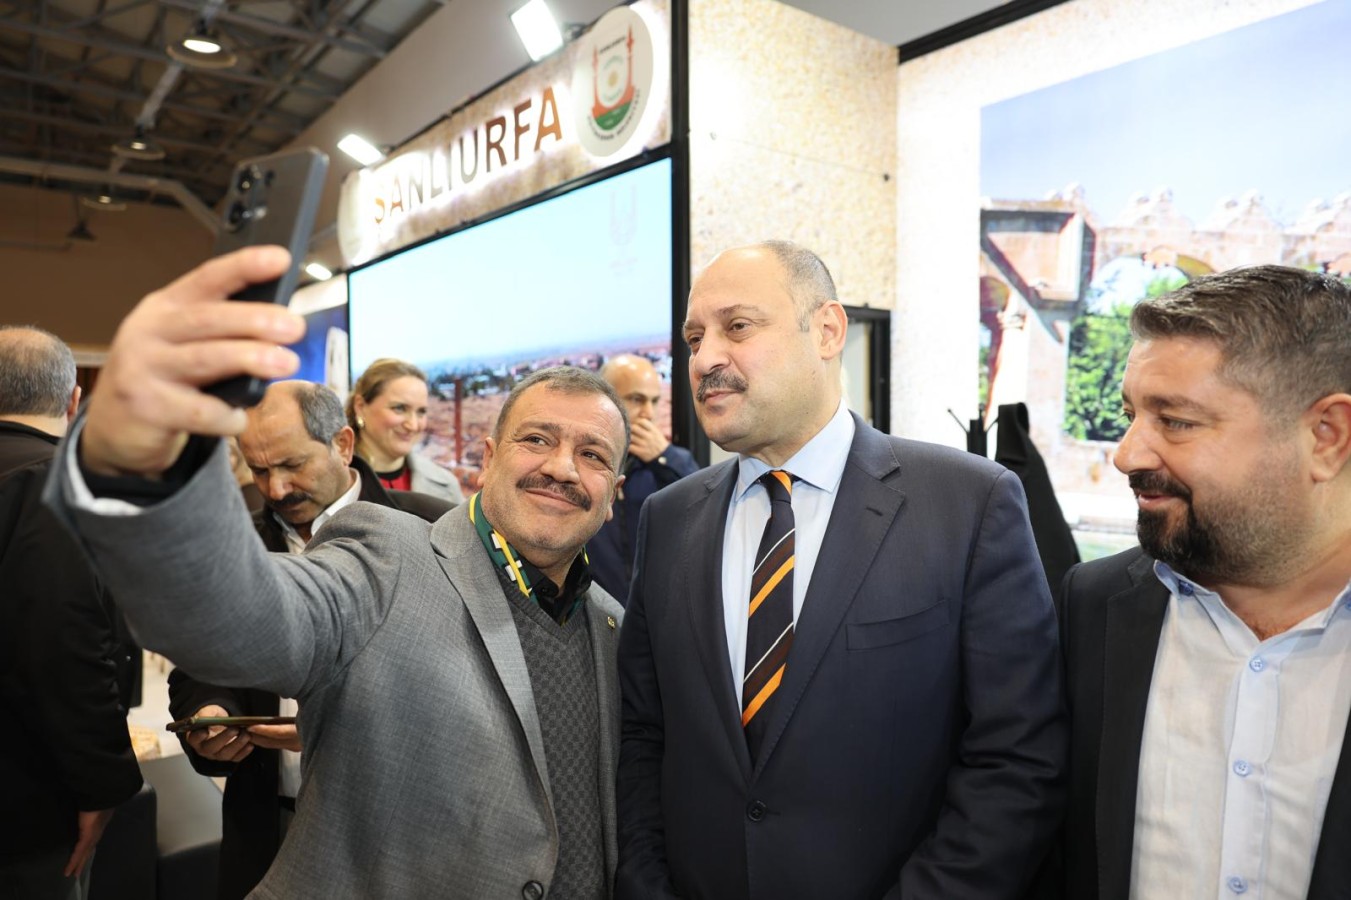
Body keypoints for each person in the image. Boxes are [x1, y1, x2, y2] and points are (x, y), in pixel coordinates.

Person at [43, 246, 630, 899]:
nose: (561, 467)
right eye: (537, 439)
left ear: (613, 496)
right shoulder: (389, 555)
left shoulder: (616, 628)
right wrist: (155, 458)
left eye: (592, 454)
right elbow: (239, 620)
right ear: (487, 459)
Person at [616, 241, 1067, 899]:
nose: (706, 358)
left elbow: (1016, 759)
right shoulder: (668, 520)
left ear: (827, 330)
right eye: (693, 339)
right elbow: (642, 737)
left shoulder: (969, 504)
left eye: (737, 327)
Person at [1053, 266, 1351, 900]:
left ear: (1326, 436)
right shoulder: (1092, 606)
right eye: (1131, 414)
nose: (1127, 454)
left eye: (1176, 421)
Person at [168, 380, 452, 900]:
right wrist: (210, 712)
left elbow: (466, 681)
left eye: (292, 465)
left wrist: (336, 725)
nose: (277, 489)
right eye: (259, 470)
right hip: (270, 823)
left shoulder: (434, 529)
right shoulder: (228, 540)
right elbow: (197, 665)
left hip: (402, 829)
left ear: (342, 444)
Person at [0, 326, 142, 899]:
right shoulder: (57, 486)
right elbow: (65, 650)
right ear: (74, 399)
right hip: (26, 801)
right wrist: (102, 783)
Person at [589, 354, 699, 600]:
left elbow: (705, 516)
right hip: (596, 611)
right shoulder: (582, 467)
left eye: (655, 401)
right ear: (604, 400)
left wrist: (664, 458)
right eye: (637, 399)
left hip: (660, 611)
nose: (648, 413)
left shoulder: (676, 462)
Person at [347, 357, 465, 503]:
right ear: (360, 407)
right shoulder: (331, 482)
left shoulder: (447, 486)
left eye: (421, 412)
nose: (413, 425)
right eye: (399, 408)